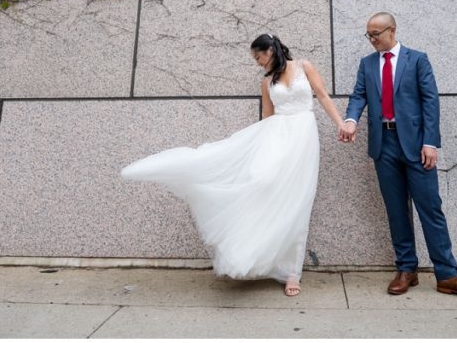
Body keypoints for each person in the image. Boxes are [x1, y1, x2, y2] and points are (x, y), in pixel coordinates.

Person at [121, 34, 349, 297]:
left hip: (303, 138)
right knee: (261, 184)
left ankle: (292, 273)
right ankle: (246, 243)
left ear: (271, 50)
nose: (257, 62)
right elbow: (267, 118)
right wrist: (255, 149)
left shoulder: (304, 66)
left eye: (258, 56)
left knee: (298, 202)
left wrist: (341, 124)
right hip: (276, 138)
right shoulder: (266, 82)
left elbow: (322, 96)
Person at [341, 12, 457, 301]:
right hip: (382, 144)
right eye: (368, 35)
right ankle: (406, 269)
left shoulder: (417, 59)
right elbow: (359, 95)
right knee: (396, 210)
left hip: (415, 145)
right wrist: (351, 120)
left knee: (430, 208)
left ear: (392, 30)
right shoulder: (367, 64)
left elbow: (430, 101)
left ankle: (447, 274)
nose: (372, 40)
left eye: (376, 33)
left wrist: (430, 143)